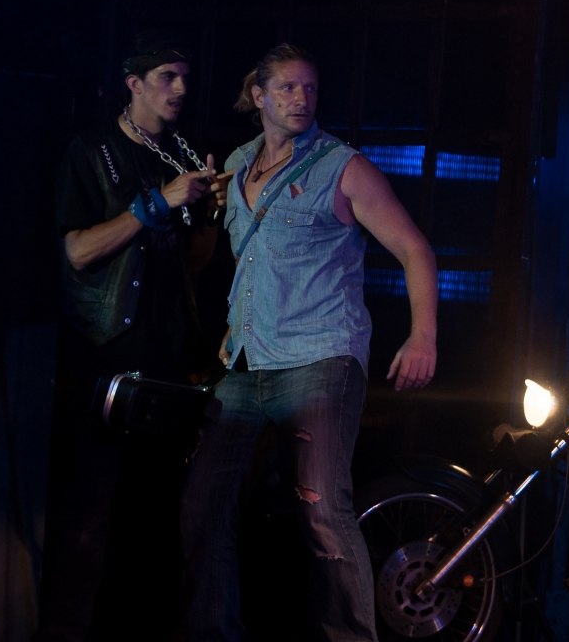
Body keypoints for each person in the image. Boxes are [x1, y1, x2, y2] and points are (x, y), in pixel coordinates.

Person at [181, 43, 438, 641]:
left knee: (322, 509)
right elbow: (243, 260)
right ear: (259, 96)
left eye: (310, 88)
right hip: (247, 361)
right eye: (288, 88)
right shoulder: (239, 164)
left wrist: (422, 336)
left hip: (321, 355)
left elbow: (414, 249)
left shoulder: (342, 166)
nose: (302, 99)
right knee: (202, 504)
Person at [35, 30, 229, 640]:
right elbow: (77, 251)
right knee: (87, 517)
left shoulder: (179, 153)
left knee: (154, 516)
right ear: (134, 83)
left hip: (167, 360)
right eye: (168, 76)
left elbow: (194, 262)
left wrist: (211, 212)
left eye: (185, 77)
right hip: (106, 357)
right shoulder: (90, 149)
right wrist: (156, 204)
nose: (181, 88)